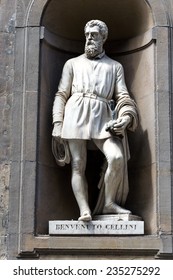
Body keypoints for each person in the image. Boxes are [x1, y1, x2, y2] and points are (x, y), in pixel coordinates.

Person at [52, 20, 138, 221]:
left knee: (116, 157)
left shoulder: (115, 66)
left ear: (103, 38)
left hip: (103, 116)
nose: (89, 38)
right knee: (77, 164)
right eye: (87, 34)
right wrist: (57, 122)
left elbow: (123, 96)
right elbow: (61, 94)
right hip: (76, 112)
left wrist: (125, 117)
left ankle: (108, 204)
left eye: (94, 35)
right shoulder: (72, 63)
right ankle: (84, 210)